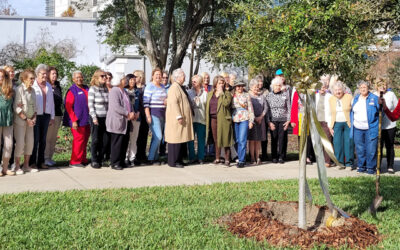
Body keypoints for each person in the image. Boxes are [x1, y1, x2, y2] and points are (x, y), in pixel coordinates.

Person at [165, 69, 194, 168]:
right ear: (178, 77)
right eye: (183, 76)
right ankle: (174, 161)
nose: (185, 78)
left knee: (181, 140)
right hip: (176, 119)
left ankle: (179, 160)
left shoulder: (179, 87)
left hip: (181, 119)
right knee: (175, 140)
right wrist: (178, 115)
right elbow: (173, 103)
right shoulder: (174, 88)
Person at [351, 80, 379, 174]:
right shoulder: (356, 98)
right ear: (359, 89)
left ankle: (371, 168)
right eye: (361, 88)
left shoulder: (374, 98)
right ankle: (361, 166)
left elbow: (381, 112)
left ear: (368, 88)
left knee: (371, 149)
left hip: (370, 128)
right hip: (357, 128)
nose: (363, 89)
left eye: (365, 87)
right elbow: (352, 111)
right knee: (360, 149)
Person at [106, 77, 135, 170]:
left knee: (124, 142)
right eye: (123, 79)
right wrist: (127, 113)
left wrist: (132, 112)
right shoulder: (114, 91)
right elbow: (116, 106)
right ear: (119, 80)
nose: (126, 80)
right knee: (117, 143)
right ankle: (115, 163)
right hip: (117, 120)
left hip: (126, 121)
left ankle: (121, 161)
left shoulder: (124, 91)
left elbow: (129, 104)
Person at [13, 69, 38, 175]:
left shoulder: (33, 90)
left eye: (34, 78)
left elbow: (35, 107)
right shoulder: (19, 89)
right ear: (24, 78)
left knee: (30, 143)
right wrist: (26, 119)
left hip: (30, 121)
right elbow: (16, 107)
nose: (33, 80)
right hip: (20, 121)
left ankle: (26, 165)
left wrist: (34, 118)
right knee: (20, 143)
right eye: (31, 78)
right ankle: (17, 166)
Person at [63, 71, 90, 168]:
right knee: (78, 140)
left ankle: (83, 159)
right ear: (73, 79)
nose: (79, 79)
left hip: (87, 119)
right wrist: (73, 120)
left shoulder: (86, 88)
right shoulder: (72, 90)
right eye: (77, 77)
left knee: (85, 140)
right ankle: (74, 162)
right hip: (77, 121)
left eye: (81, 77)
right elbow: (68, 106)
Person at [30, 64, 55, 169]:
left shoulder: (48, 86)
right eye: (43, 73)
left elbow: (51, 102)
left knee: (43, 140)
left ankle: (41, 162)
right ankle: (32, 162)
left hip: (46, 115)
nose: (45, 75)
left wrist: (52, 117)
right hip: (36, 115)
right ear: (37, 74)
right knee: (35, 140)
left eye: (46, 73)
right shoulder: (32, 85)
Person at [205, 75, 234, 166]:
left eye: (222, 83)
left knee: (225, 139)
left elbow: (226, 104)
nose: (221, 85)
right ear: (215, 84)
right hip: (213, 119)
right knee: (216, 139)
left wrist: (222, 93)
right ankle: (217, 158)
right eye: (219, 83)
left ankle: (227, 159)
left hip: (224, 119)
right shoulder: (210, 94)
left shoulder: (227, 93)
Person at [143, 68, 168, 165]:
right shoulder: (149, 86)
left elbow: (165, 99)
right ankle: (150, 158)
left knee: (156, 138)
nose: (158, 76)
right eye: (156, 74)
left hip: (162, 114)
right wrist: (148, 115)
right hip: (153, 114)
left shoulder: (162, 86)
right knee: (158, 136)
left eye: (160, 75)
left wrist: (166, 101)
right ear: (152, 76)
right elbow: (146, 103)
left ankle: (156, 157)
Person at [329, 80, 354, 169]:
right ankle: (340, 163)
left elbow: (354, 110)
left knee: (348, 143)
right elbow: (329, 113)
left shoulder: (349, 97)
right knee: (337, 143)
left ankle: (349, 163)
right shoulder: (331, 99)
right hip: (336, 123)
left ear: (343, 90)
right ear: (333, 91)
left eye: (339, 89)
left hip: (348, 123)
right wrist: (330, 126)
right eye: (336, 90)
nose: (338, 92)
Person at [375, 78, 397, 174]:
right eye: (380, 85)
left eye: (384, 85)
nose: (382, 87)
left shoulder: (391, 94)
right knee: (378, 146)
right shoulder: (374, 95)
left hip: (390, 125)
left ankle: (390, 166)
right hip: (378, 126)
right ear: (376, 86)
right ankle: (378, 166)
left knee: (389, 146)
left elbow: (396, 107)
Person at [266, 77, 291, 164]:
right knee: (274, 138)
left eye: (279, 85)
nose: (278, 87)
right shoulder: (268, 96)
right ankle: (274, 156)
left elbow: (289, 108)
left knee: (282, 138)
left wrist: (288, 121)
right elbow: (267, 110)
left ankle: (281, 156)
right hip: (273, 120)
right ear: (272, 86)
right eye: (276, 85)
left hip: (283, 120)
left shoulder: (285, 94)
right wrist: (269, 122)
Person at [88, 69, 109, 168]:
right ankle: (94, 160)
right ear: (96, 78)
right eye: (102, 76)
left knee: (105, 140)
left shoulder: (105, 89)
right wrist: (94, 117)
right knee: (96, 139)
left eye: (105, 76)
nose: (105, 78)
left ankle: (101, 158)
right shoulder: (93, 89)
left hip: (105, 117)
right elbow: (90, 105)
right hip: (96, 117)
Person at [232, 80, 254, 168]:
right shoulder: (232, 95)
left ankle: (242, 160)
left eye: (241, 86)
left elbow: (250, 108)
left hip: (244, 118)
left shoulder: (247, 95)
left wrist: (251, 121)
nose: (239, 88)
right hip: (235, 118)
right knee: (237, 140)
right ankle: (238, 156)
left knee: (242, 140)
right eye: (238, 86)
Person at [44, 66, 63, 167]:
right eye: (53, 73)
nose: (55, 75)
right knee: (48, 137)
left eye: (56, 73)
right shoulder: (46, 86)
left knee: (53, 138)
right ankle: (45, 158)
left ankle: (50, 158)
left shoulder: (58, 86)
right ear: (48, 75)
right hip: (49, 115)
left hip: (58, 115)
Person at [188, 74, 207, 164]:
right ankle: (192, 157)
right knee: (191, 139)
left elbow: (207, 107)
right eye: (192, 81)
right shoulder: (189, 92)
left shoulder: (205, 93)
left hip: (202, 119)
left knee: (201, 139)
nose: (193, 83)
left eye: (195, 81)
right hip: (191, 119)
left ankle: (201, 157)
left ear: (199, 82)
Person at [248, 79, 268, 165]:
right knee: (252, 140)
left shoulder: (262, 96)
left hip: (261, 121)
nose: (256, 88)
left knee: (258, 140)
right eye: (255, 87)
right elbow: (247, 108)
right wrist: (254, 118)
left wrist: (261, 117)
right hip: (252, 120)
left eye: (257, 87)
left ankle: (258, 157)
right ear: (251, 87)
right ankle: (252, 158)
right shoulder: (248, 96)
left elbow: (266, 108)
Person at [315, 79, 333, 167]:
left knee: (327, 141)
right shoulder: (315, 96)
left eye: (324, 87)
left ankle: (327, 161)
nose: (322, 88)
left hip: (326, 122)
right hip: (317, 122)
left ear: (326, 87)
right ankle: (320, 160)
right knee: (318, 142)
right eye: (320, 87)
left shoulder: (330, 96)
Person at [0, 69, 14, 176]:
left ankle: (5, 167)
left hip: (8, 119)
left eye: (2, 76)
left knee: (9, 145)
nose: (0, 78)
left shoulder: (10, 89)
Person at [133, 70, 149, 164]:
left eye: (136, 76)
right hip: (136, 115)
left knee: (143, 135)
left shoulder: (146, 88)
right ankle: (134, 156)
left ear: (141, 77)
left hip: (144, 114)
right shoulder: (133, 89)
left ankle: (142, 155)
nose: (134, 78)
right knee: (136, 137)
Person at [125, 74, 140, 167]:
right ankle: (125, 158)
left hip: (136, 118)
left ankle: (132, 158)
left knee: (134, 139)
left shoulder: (138, 91)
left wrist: (137, 113)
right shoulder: (123, 91)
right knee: (126, 139)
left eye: (134, 80)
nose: (132, 82)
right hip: (126, 118)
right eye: (130, 80)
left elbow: (141, 103)